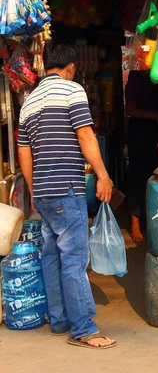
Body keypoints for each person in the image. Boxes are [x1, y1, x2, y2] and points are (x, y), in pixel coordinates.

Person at [17, 41, 116, 350]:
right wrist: (103, 174)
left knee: (51, 256)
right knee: (74, 259)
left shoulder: (29, 101)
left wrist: (34, 191)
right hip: (66, 188)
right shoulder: (72, 91)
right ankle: (85, 328)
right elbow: (85, 134)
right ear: (71, 67)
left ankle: (59, 320)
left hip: (44, 192)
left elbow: (24, 152)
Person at [125, 69, 158, 242]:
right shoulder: (135, 78)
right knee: (138, 178)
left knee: (155, 177)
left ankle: (152, 220)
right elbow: (131, 110)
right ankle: (135, 223)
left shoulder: (154, 76)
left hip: (152, 135)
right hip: (139, 135)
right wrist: (156, 116)